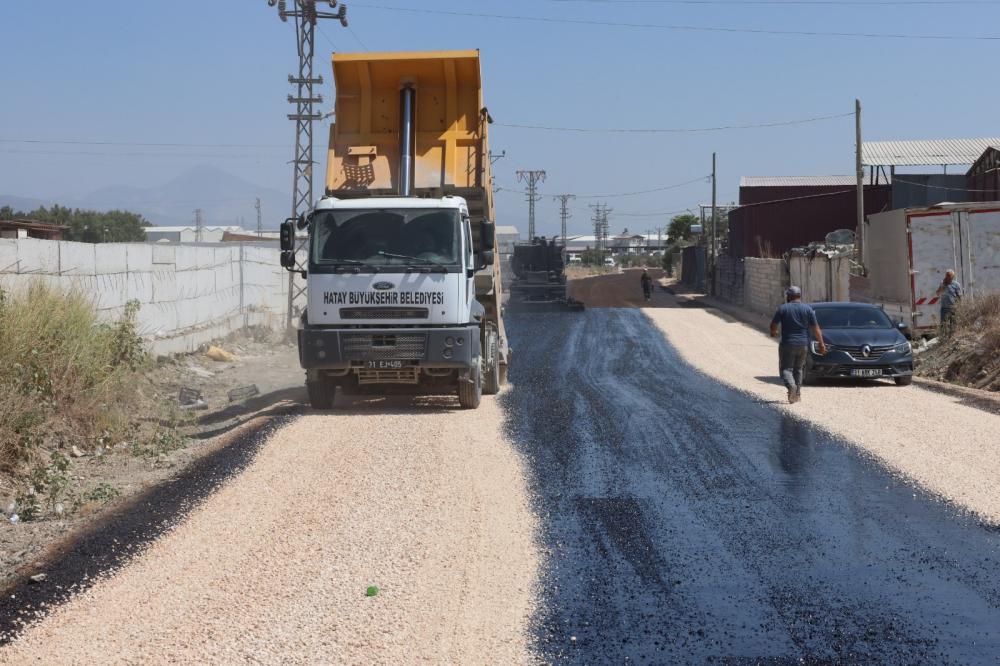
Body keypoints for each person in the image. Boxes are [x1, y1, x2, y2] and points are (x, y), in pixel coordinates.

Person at [770, 286, 826, 404]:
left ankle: (791, 387)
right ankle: (797, 395)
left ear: (789, 296)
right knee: (798, 369)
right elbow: (815, 328)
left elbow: (774, 324)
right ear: (800, 295)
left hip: (788, 344)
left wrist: (774, 332)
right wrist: (821, 344)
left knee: (786, 369)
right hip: (803, 345)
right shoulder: (808, 309)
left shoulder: (783, 308)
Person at [935, 269, 962, 334]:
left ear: (952, 277)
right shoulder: (942, 284)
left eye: (949, 276)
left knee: (954, 325)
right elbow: (938, 293)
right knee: (943, 325)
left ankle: (953, 337)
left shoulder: (956, 285)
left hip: (953, 308)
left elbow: (959, 296)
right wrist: (943, 285)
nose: (947, 277)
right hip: (944, 308)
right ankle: (943, 338)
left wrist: (959, 306)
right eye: (946, 275)